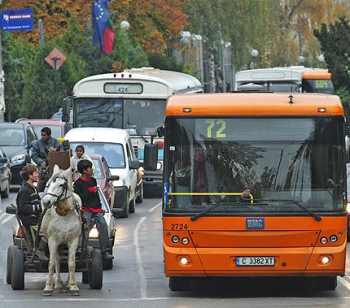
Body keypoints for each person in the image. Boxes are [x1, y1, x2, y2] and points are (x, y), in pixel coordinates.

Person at [73, 159, 113, 260]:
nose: (91, 170)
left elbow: (96, 198)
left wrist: (100, 209)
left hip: (96, 210)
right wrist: (89, 191)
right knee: (84, 228)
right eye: (90, 168)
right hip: (85, 210)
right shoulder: (77, 184)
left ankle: (104, 251)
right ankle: (81, 250)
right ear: (84, 171)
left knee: (103, 225)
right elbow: (80, 199)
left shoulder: (93, 180)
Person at [16, 164, 47, 260]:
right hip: (31, 220)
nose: (37, 175)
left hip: (36, 218)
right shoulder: (24, 190)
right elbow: (22, 208)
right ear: (30, 176)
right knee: (47, 232)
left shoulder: (32, 188)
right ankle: (39, 250)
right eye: (36, 173)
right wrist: (38, 207)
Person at [31, 127, 63, 191]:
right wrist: (41, 162)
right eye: (41, 135)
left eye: (44, 135)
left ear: (49, 135)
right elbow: (34, 156)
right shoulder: (37, 143)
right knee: (40, 185)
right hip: (43, 168)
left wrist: (55, 152)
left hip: (55, 167)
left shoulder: (56, 142)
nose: (42, 137)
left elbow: (62, 153)